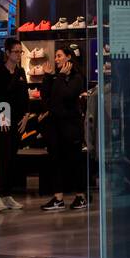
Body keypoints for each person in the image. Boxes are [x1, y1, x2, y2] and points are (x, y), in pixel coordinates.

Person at [40, 48, 87, 212]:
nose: (56, 59)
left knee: (74, 162)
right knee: (55, 162)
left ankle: (81, 196)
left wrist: (58, 77)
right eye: (56, 56)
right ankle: (58, 198)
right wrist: (47, 77)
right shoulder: (56, 78)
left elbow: (65, 95)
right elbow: (46, 98)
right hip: (55, 126)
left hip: (71, 127)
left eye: (59, 56)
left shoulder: (77, 78)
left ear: (68, 58)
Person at [0, 38, 29, 211]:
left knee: (13, 156)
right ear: (7, 53)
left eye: (20, 51)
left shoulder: (21, 71)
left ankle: (7, 194)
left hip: (17, 117)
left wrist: (26, 115)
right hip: (3, 115)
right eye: (15, 51)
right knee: (3, 156)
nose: (18, 54)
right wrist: (0, 117)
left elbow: (25, 95)